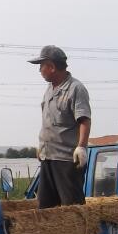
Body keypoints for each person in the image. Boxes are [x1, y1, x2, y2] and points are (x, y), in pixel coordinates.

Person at [30, 45, 91, 209]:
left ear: (51, 67)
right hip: (48, 157)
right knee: (46, 207)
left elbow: (84, 119)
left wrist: (81, 147)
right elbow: (48, 121)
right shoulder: (49, 89)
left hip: (66, 159)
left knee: (71, 207)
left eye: (42, 66)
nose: (40, 70)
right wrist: (42, 145)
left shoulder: (75, 88)